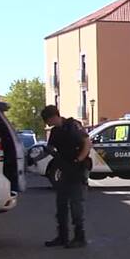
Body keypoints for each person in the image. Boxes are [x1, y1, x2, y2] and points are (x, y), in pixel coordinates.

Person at [41, 105, 91, 249]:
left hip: (78, 169)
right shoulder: (55, 131)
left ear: (53, 117)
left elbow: (87, 143)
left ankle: (80, 237)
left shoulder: (73, 126)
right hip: (64, 169)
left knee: (76, 204)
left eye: (47, 120)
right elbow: (50, 148)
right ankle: (62, 236)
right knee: (61, 204)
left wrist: (78, 160)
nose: (48, 123)